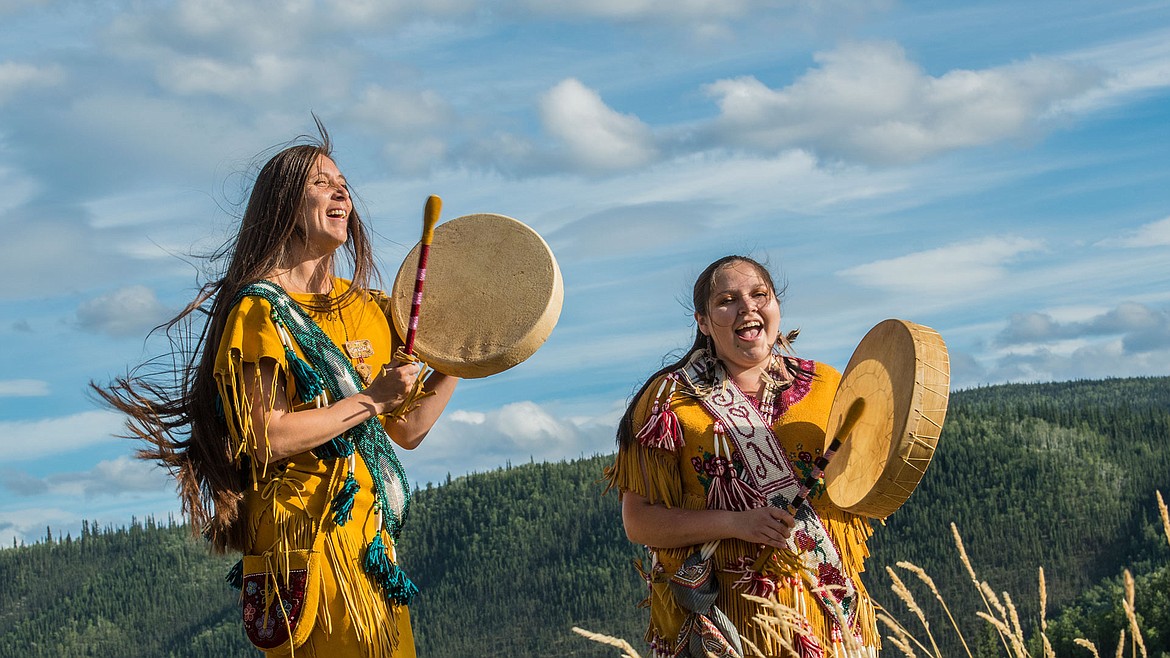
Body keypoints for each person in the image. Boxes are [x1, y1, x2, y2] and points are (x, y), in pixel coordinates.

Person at [95, 122, 456, 657]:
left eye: (342, 182)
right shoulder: (260, 310)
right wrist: (371, 399)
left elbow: (405, 429)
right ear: (283, 206)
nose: (340, 191)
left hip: (371, 548)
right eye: (319, 182)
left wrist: (465, 359)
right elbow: (266, 436)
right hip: (303, 544)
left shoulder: (371, 308)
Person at [605, 255, 878, 657]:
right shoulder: (669, 400)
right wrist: (737, 523)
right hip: (723, 626)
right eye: (727, 300)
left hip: (826, 615)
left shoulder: (828, 386)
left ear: (776, 307)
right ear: (702, 322)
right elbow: (640, 521)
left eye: (759, 295)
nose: (747, 308)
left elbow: (869, 480)